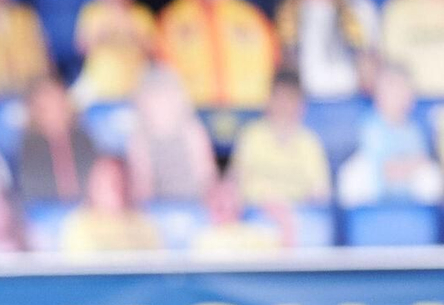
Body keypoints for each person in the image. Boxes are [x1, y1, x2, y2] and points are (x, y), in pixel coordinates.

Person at [156, 0, 277, 112]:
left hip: (249, 111)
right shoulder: (171, 20)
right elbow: (161, 71)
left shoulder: (252, 17)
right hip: (192, 114)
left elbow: (275, 62)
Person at [275, 0, 379, 102]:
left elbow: (374, 61)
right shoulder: (285, 13)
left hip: (355, 102)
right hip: (308, 105)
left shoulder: (359, 5)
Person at [337, 62, 442, 206]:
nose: (400, 97)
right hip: (375, 187)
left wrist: (406, 167)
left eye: (405, 91)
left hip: (407, 186)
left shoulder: (414, 130)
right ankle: (361, 221)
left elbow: (421, 161)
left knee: (431, 176)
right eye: (393, 91)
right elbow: (383, 168)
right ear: (379, 96)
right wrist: (406, 166)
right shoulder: (371, 126)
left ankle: (423, 221)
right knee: (352, 174)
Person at [228, 72, 332, 208]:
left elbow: (321, 192)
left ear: (301, 105)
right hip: (256, 214)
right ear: (269, 100)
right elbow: (234, 183)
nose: (284, 105)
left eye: (290, 99)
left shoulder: (309, 143)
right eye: (280, 97)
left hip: (299, 216)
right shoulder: (252, 136)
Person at [124, 67, 218, 203]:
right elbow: (142, 183)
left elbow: (207, 175)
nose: (159, 105)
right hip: (158, 208)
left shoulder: (192, 130)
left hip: (195, 205)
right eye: (154, 100)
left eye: (163, 98)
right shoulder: (139, 138)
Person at [72, 0, 155, 104]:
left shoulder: (141, 14)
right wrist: (100, 35)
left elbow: (153, 53)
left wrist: (134, 34)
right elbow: (81, 49)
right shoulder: (91, 11)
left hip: (135, 83)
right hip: (97, 83)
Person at [58, 155, 163, 254]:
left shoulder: (143, 222)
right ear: (95, 186)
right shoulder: (79, 224)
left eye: (121, 181)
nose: (117, 189)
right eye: (110, 182)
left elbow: (156, 264)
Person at [17, 76, 96, 203]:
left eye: (60, 101)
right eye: (49, 104)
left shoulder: (85, 138)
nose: (59, 108)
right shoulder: (27, 147)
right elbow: (31, 189)